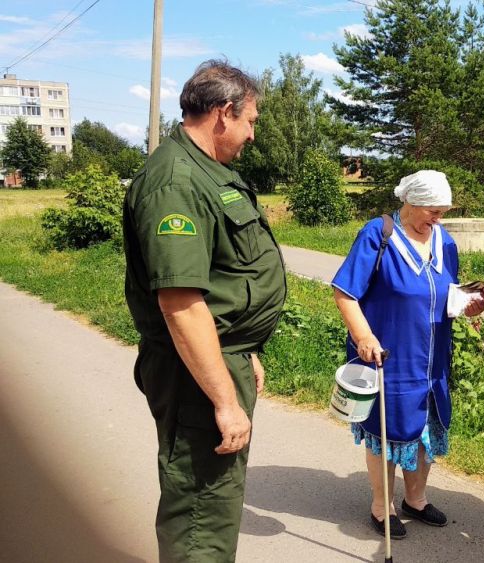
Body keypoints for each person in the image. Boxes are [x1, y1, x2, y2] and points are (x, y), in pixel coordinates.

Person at [123, 60, 287, 562]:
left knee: (217, 501)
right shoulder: (176, 180)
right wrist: (222, 398)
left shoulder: (205, 171)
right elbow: (181, 303)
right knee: (201, 509)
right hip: (193, 373)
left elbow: (222, 281)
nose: (252, 134)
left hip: (218, 356)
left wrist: (244, 348)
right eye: (251, 120)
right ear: (223, 113)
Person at [332, 170, 484, 540]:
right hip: (390, 358)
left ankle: (415, 500)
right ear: (410, 203)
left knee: (425, 434)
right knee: (385, 434)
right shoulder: (379, 234)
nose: (439, 218)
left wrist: (473, 305)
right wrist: (363, 334)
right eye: (433, 210)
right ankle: (380, 505)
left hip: (433, 362)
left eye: (444, 211)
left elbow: (448, 297)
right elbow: (345, 293)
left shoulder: (445, 242)